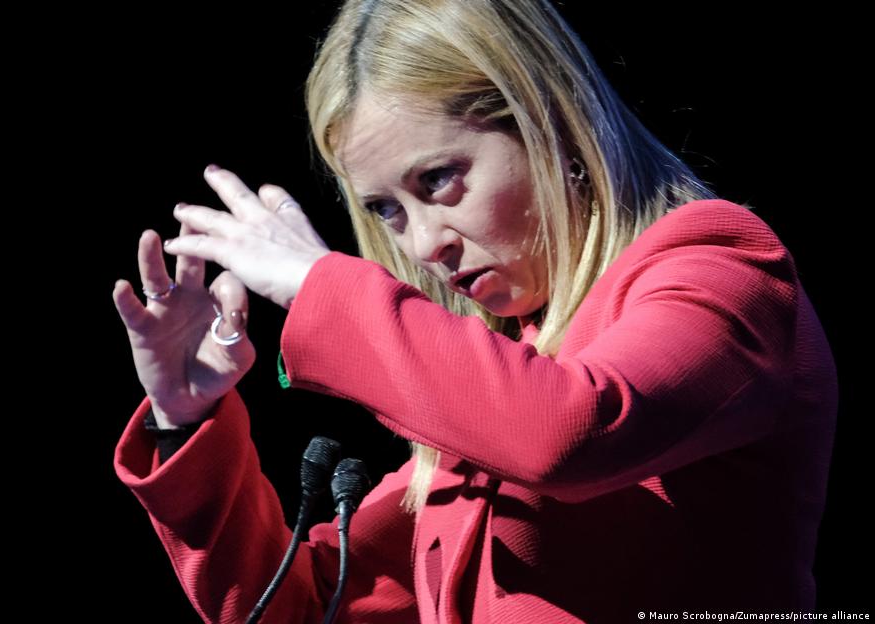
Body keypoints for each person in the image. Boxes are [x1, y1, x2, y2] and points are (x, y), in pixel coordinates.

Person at [111, 0, 837, 620]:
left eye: (439, 179)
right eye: (386, 209)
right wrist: (186, 421)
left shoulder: (718, 263)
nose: (423, 244)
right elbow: (296, 605)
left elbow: (573, 431)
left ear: (551, 121)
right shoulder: (495, 378)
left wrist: (320, 284)